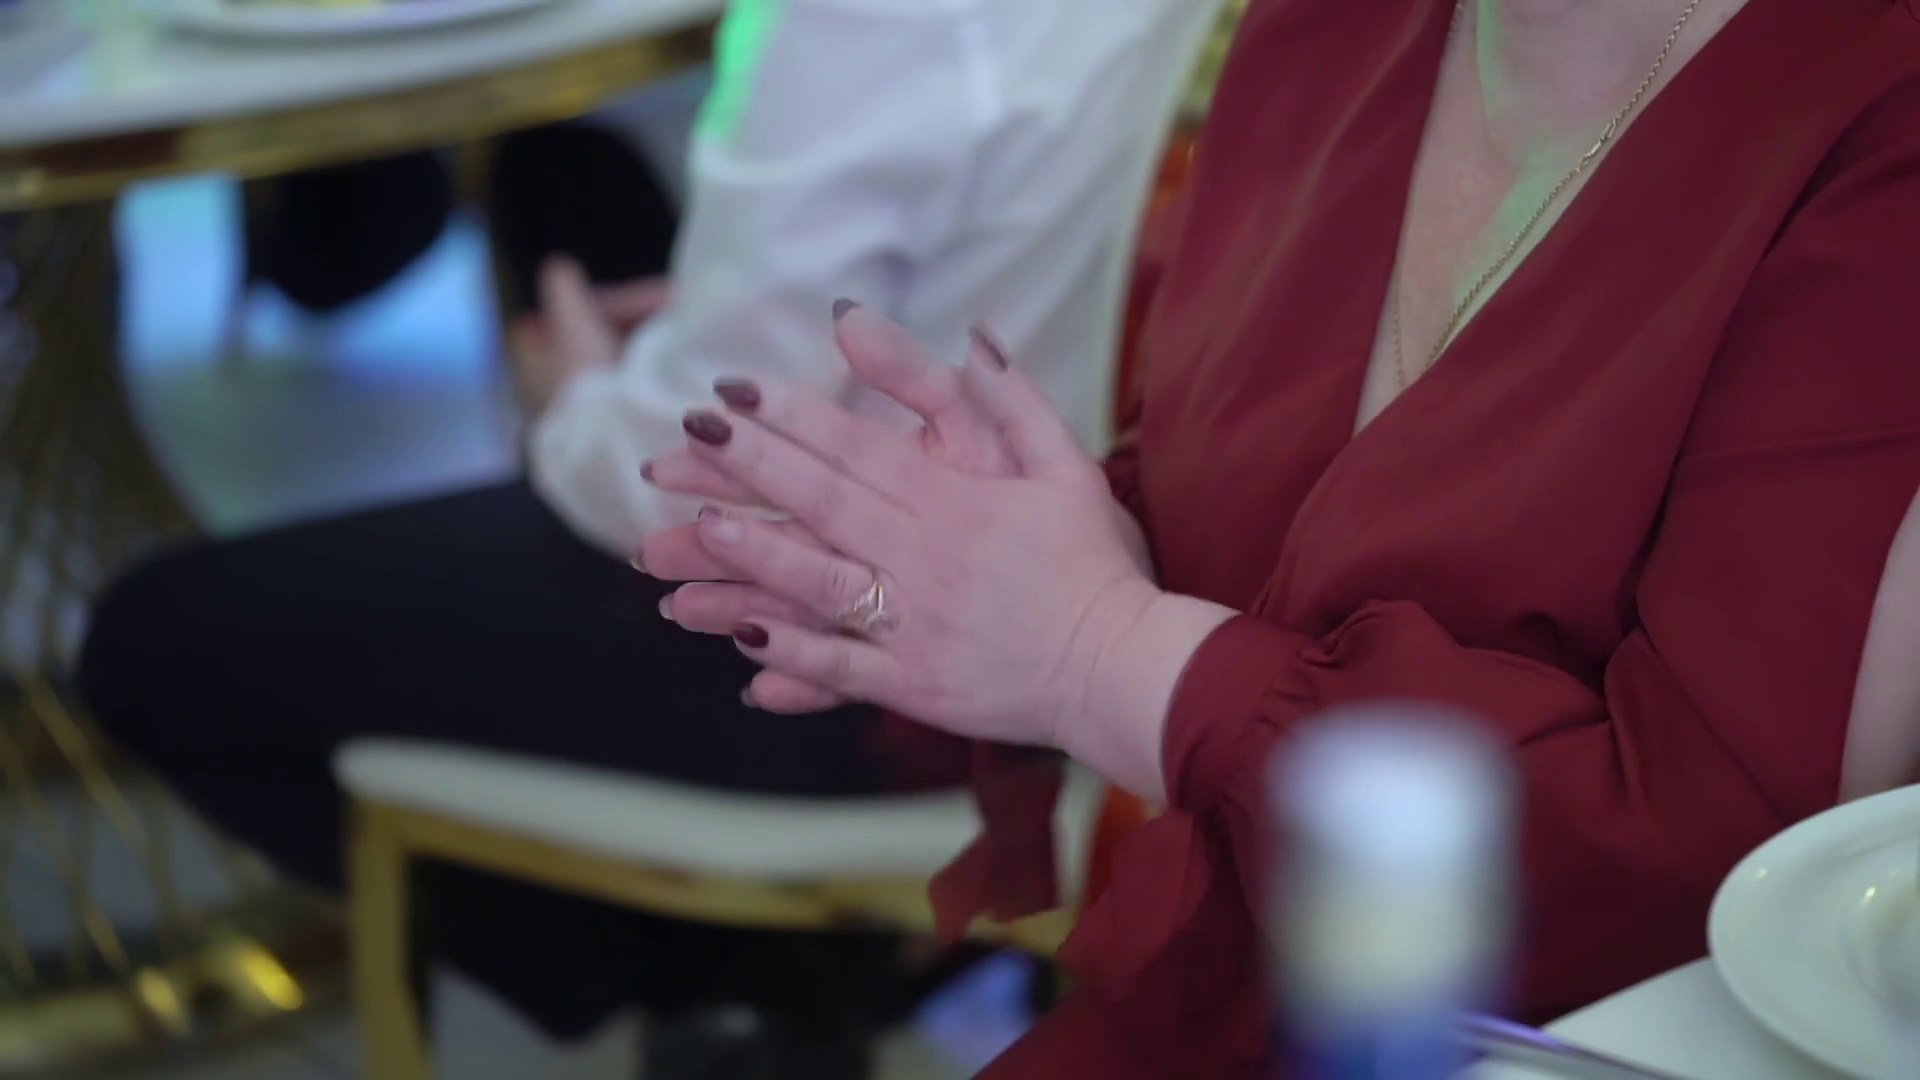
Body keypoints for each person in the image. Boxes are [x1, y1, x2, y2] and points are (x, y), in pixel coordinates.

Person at [629, 0, 1920, 1075]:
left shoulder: (1877, 117)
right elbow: (1233, 497)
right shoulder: (1328, 26)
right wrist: (989, 546)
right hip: (1230, 991)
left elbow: (1711, 881)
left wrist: (1101, 651)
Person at [77, 0, 1227, 1076]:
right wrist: (699, 334)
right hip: (1079, 537)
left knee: (149, 642)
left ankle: (738, 969)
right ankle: (762, 977)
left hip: (878, 652)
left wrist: (572, 400)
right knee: (562, 175)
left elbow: (685, 483)